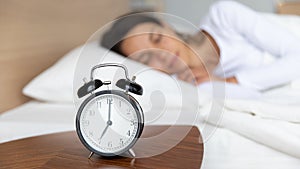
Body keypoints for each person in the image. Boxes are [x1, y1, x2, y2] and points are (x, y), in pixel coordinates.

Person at [101, 0, 300, 91]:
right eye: (147, 58)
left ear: (166, 25)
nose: (162, 55)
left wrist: (230, 81)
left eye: (157, 39)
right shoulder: (190, 86)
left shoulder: (223, 16)